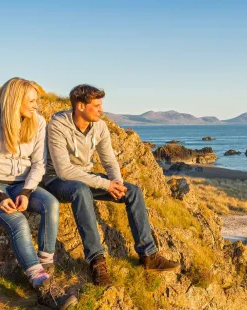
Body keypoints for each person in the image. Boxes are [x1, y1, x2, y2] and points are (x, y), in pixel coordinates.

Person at [43, 84, 179, 286]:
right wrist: (105, 185)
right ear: (80, 106)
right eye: (96, 105)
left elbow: (109, 161)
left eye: (101, 105)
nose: (101, 110)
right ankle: (97, 262)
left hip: (85, 176)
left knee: (132, 192)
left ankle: (148, 255)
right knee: (80, 191)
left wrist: (117, 184)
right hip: (56, 179)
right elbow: (64, 171)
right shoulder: (58, 125)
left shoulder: (100, 126)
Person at [0, 78, 77, 310]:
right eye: (32, 101)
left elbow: (38, 164)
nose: (37, 106)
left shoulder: (38, 123)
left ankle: (45, 268)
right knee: (18, 222)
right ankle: (45, 290)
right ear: (15, 101)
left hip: (20, 185)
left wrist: (27, 191)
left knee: (51, 204)